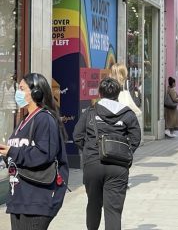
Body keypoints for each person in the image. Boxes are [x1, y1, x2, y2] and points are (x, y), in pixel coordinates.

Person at [0, 73, 69, 229]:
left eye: (22, 89)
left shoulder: (44, 119)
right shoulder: (24, 121)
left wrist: (13, 152)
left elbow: (43, 154)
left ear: (35, 93)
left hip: (36, 201)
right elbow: (18, 153)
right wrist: (6, 153)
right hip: (18, 200)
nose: (18, 93)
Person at [73, 77, 141, 230]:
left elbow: (77, 136)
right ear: (118, 93)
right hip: (118, 167)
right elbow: (136, 138)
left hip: (93, 165)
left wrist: (90, 151)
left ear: (100, 93)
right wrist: (124, 152)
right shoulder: (127, 114)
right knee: (113, 210)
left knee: (93, 204)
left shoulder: (90, 112)